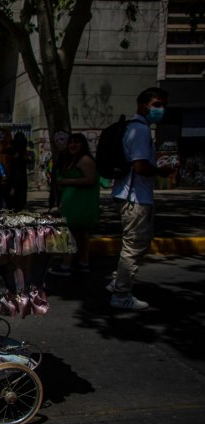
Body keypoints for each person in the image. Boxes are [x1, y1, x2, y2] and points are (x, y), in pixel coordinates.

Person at [106, 87, 172, 310]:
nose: (160, 109)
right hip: (134, 196)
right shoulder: (139, 131)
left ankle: (118, 282)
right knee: (134, 245)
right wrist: (161, 172)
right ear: (143, 105)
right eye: (156, 104)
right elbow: (140, 165)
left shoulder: (135, 128)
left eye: (163, 105)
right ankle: (121, 293)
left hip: (130, 194)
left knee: (137, 243)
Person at [48, 133, 99, 276]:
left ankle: (66, 265)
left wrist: (68, 182)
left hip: (80, 205)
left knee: (71, 235)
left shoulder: (85, 160)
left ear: (83, 144)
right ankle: (83, 263)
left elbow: (91, 180)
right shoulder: (73, 159)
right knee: (81, 234)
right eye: (71, 143)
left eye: (77, 142)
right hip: (73, 203)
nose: (73, 145)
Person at [6, 132, 29, 211]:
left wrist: (13, 187)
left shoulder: (18, 155)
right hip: (19, 183)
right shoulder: (20, 154)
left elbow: (17, 172)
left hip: (17, 183)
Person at [48, 129, 69, 212]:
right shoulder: (58, 156)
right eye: (56, 141)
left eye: (62, 139)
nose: (59, 142)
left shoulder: (71, 156)